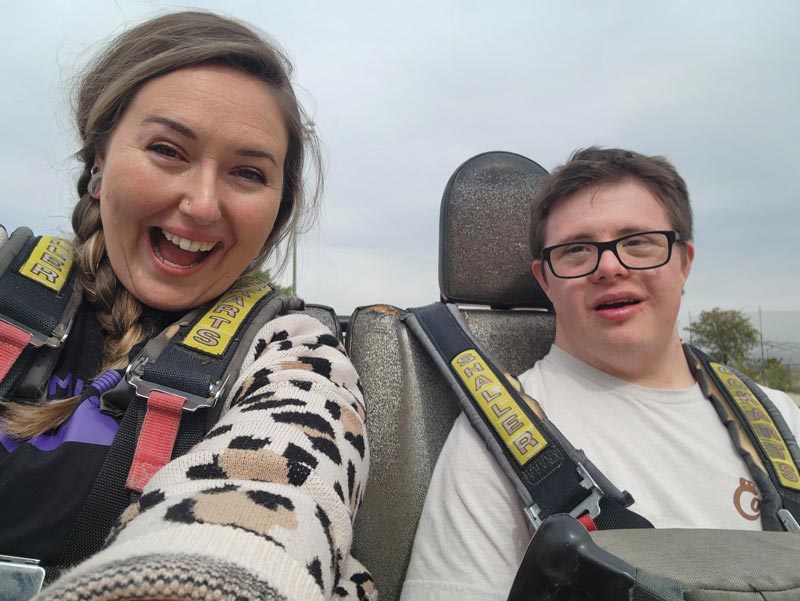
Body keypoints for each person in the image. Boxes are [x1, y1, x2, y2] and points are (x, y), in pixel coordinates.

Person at [0, 11, 373, 601]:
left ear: (275, 212)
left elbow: (278, 499)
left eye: (247, 173)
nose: (201, 205)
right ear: (98, 166)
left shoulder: (297, 355)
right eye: (169, 151)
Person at [400, 147, 800, 601]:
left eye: (638, 242)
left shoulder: (782, 423)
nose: (610, 267)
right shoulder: (491, 447)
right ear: (545, 279)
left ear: (684, 261)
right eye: (576, 251)